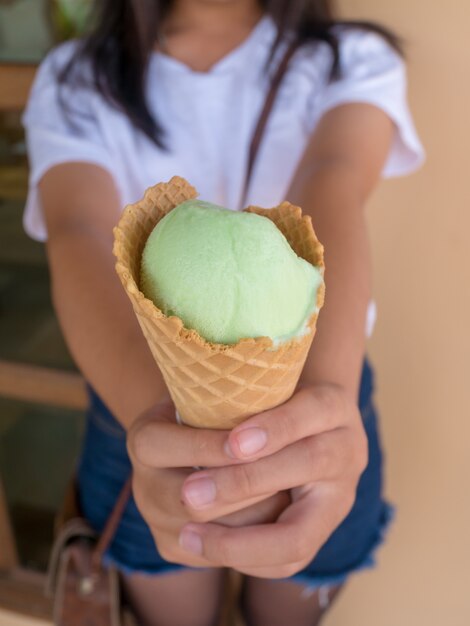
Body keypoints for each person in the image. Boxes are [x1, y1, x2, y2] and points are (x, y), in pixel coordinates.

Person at [23, 1, 424, 624]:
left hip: (325, 392)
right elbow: (76, 234)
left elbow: (333, 177)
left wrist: (323, 402)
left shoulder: (351, 58)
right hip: (137, 405)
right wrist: (165, 429)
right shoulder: (75, 79)